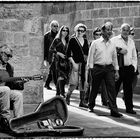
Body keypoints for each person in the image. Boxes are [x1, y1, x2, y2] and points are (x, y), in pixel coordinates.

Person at [87, 22, 122, 117]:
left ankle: (114, 111)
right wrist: (91, 70)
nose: (109, 32)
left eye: (110, 30)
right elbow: (90, 57)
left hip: (109, 69)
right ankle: (91, 105)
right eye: (107, 30)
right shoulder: (95, 43)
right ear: (102, 31)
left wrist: (117, 71)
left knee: (112, 89)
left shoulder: (112, 44)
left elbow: (114, 58)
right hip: (97, 68)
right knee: (94, 88)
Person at [0, 44, 28, 131]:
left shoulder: (9, 67)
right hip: (3, 90)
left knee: (18, 95)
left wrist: (21, 82)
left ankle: (18, 121)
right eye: (7, 55)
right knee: (6, 89)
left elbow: (11, 84)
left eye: (10, 56)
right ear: (1, 53)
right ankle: (6, 119)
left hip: (4, 91)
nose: (8, 58)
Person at [112, 23, 137, 114]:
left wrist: (133, 67)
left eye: (127, 30)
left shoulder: (131, 41)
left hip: (129, 68)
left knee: (128, 90)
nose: (126, 32)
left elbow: (134, 55)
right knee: (115, 87)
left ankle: (129, 108)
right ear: (120, 30)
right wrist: (119, 50)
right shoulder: (114, 40)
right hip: (118, 68)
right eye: (124, 30)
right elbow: (109, 49)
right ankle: (112, 106)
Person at [66, 23, 89, 108]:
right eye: (79, 30)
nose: (80, 32)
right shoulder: (72, 40)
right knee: (74, 82)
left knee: (83, 82)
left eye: (82, 31)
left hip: (84, 65)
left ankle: (82, 101)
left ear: (84, 32)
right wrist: (73, 63)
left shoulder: (86, 41)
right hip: (75, 63)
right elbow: (68, 53)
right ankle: (67, 97)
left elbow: (87, 53)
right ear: (76, 30)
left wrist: (88, 64)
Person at [85, 27, 109, 106]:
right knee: (92, 85)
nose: (98, 36)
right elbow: (90, 55)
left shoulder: (104, 43)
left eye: (100, 34)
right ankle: (88, 100)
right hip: (94, 66)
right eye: (96, 34)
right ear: (94, 35)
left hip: (103, 66)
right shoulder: (93, 43)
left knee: (103, 84)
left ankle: (104, 101)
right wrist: (90, 67)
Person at [49, 25, 70, 98]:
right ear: (61, 31)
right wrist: (59, 53)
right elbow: (51, 49)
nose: (65, 32)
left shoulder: (68, 40)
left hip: (66, 62)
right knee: (61, 77)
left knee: (63, 78)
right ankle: (62, 92)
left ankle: (57, 94)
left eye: (66, 30)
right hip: (57, 61)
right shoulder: (57, 39)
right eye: (63, 30)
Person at [44, 20, 59, 90]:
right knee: (53, 70)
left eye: (57, 26)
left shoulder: (59, 35)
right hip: (50, 56)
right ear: (51, 26)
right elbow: (45, 47)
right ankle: (57, 85)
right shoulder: (47, 35)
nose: (55, 27)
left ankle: (47, 83)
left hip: (57, 56)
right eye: (54, 26)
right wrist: (45, 57)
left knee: (52, 70)